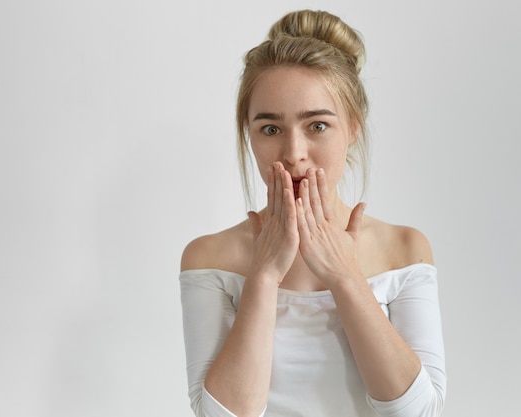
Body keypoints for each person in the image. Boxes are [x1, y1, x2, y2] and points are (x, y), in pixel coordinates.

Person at [180, 9, 446, 417]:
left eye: (317, 126)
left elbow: (418, 412)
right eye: (270, 129)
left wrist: (344, 275)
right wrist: (264, 275)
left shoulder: (405, 248)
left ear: (353, 126)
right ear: (248, 133)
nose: (293, 154)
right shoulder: (209, 257)